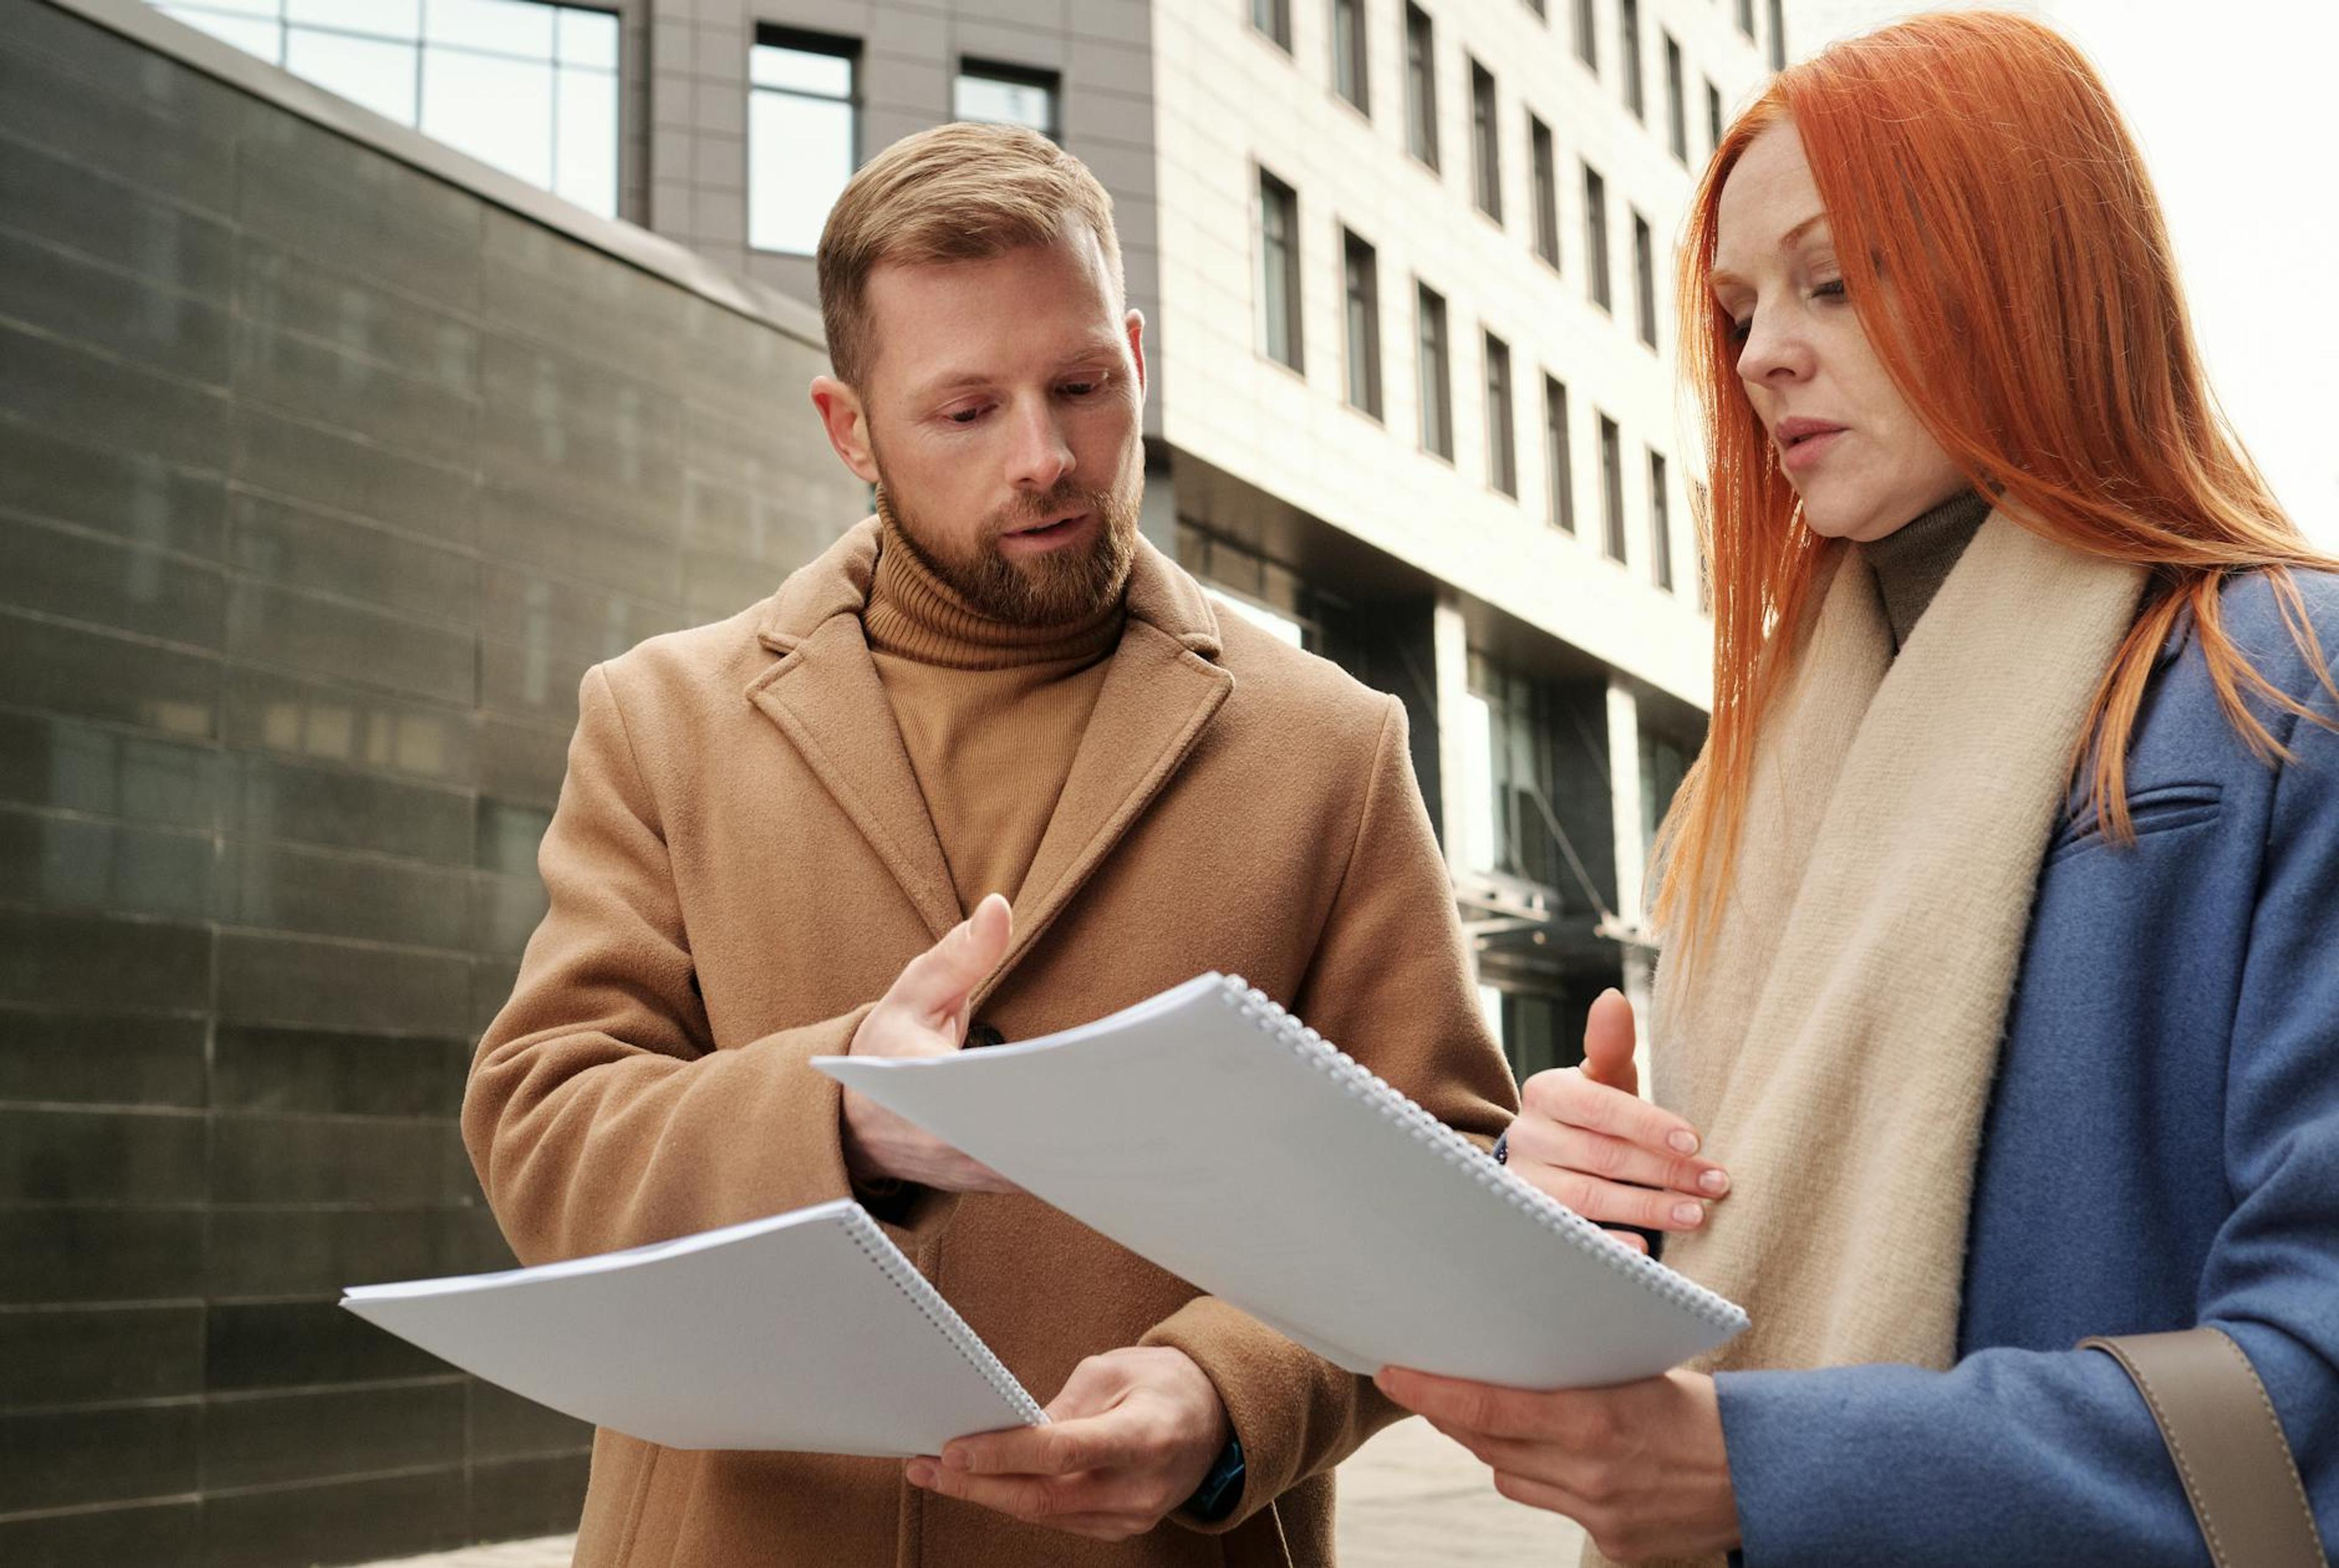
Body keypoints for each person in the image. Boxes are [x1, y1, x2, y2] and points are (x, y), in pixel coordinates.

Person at [462, 123, 1518, 1568]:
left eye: (1083, 386)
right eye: (966, 412)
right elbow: (543, 1129)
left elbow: (1448, 1174)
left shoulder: (1332, 745)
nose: (1047, 457)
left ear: (1135, 353)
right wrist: (842, 1122)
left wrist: (1231, 1394)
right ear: (851, 430)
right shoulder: (661, 719)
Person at [1374, 12, 2339, 1566]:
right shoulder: (1754, 773)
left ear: (2033, 271)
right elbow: (1742, 1238)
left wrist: (1765, 1466)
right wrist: (1581, 1200)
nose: (1760, 354)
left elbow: (2316, 1370)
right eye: (1742, 306)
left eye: (1835, 279)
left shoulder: (2282, 681)